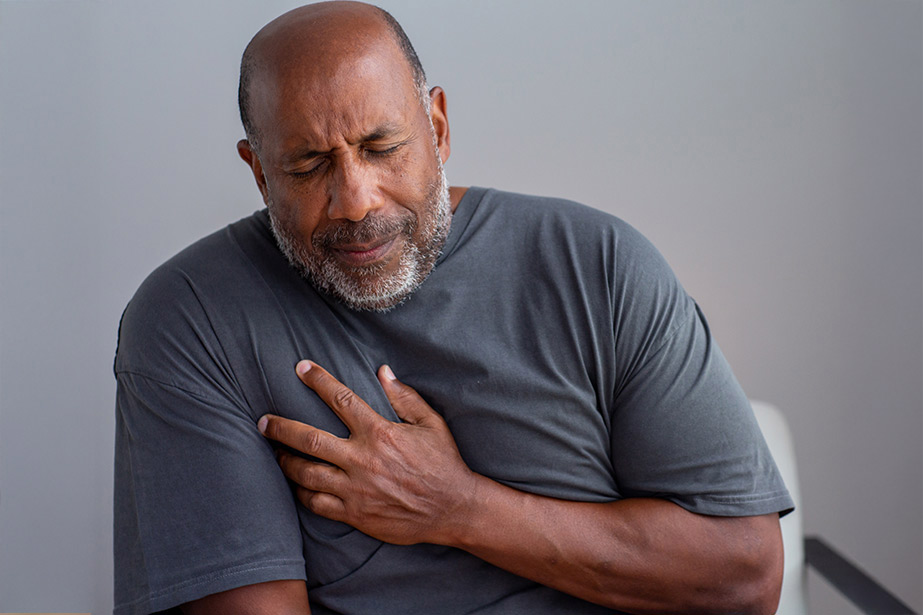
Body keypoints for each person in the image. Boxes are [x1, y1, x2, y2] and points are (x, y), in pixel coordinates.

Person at [113, 2, 794, 614]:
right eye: (307, 166)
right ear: (259, 172)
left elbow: (743, 579)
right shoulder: (192, 318)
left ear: (437, 127)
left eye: (382, 148)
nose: (355, 200)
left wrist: (458, 507)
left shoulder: (597, 264)